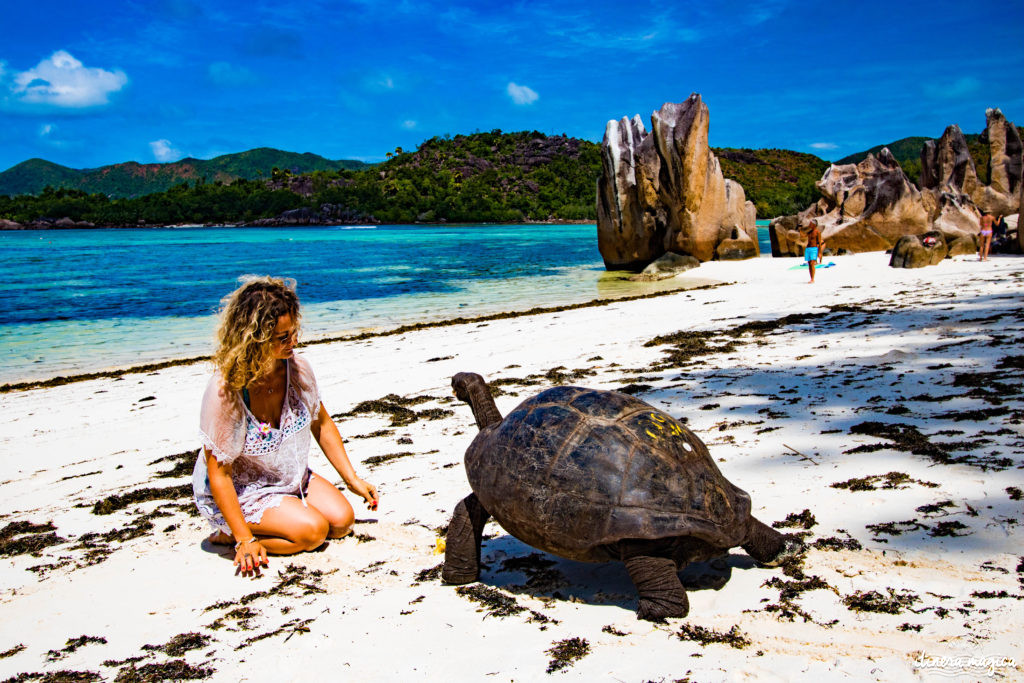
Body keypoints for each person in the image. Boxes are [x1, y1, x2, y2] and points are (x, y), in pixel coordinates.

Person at [192, 276, 378, 576]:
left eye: (293, 332)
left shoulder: (299, 369)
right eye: (282, 338)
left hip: (288, 476)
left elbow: (321, 424)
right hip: (243, 490)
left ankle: (283, 516)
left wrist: (352, 478)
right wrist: (245, 539)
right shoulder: (225, 390)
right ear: (254, 339)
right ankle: (228, 534)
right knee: (313, 532)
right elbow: (219, 473)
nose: (293, 343)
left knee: (342, 522)